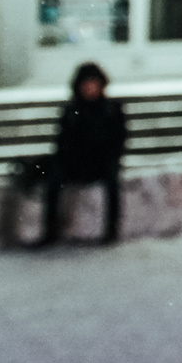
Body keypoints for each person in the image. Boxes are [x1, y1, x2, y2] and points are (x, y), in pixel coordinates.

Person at [37, 62, 127, 246]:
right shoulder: (71, 111)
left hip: (101, 162)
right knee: (54, 177)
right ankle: (50, 231)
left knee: (112, 178)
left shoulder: (111, 109)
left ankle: (112, 230)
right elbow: (62, 142)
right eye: (86, 85)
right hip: (76, 163)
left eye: (93, 84)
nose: (89, 89)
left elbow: (119, 140)